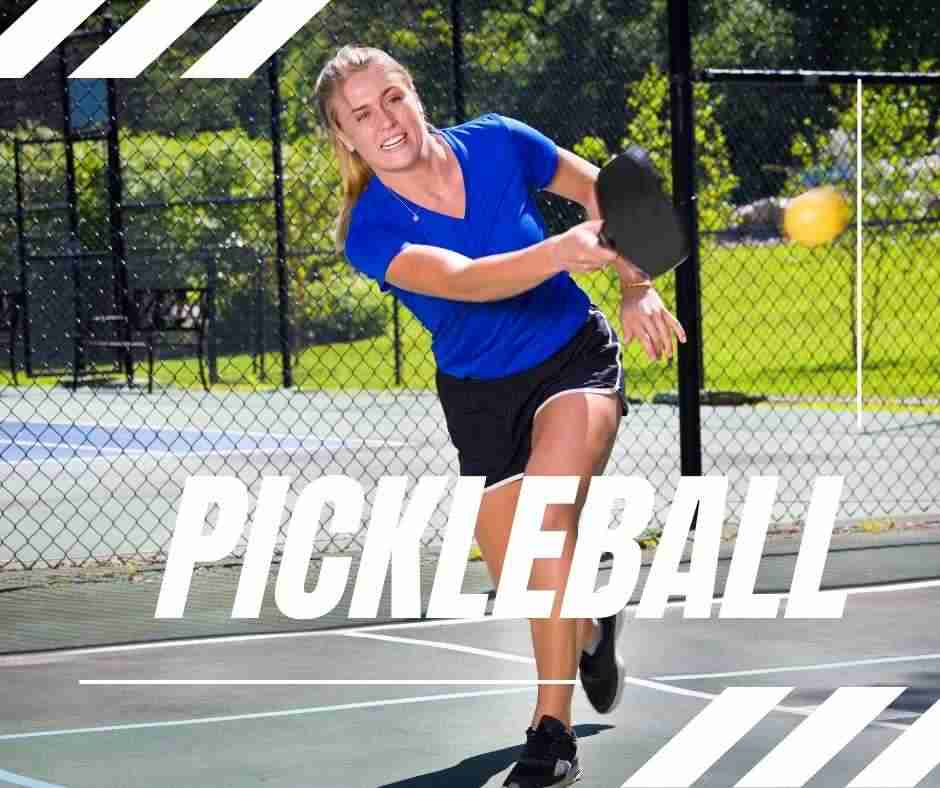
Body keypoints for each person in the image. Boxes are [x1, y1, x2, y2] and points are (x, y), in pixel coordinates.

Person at [314, 45, 685, 788]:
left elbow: (607, 191)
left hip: (571, 356)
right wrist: (558, 250)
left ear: (413, 95)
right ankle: (590, 626)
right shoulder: (369, 230)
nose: (384, 119)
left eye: (391, 97)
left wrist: (634, 282)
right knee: (526, 572)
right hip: (479, 395)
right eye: (361, 113)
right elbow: (468, 282)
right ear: (346, 138)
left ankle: (551, 733)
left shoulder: (498, 140)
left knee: (550, 523)